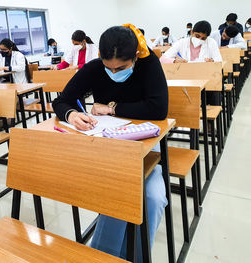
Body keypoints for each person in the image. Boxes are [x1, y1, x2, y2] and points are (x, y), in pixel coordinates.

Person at [52, 24, 168, 261]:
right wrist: (72, 114)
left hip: (143, 144)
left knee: (153, 198)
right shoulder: (95, 68)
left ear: (135, 56)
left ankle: (136, 257)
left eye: (122, 68)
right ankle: (105, 256)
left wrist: (112, 108)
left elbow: (159, 108)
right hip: (107, 146)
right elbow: (62, 100)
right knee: (116, 193)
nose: (114, 73)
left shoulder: (148, 65)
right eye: (109, 67)